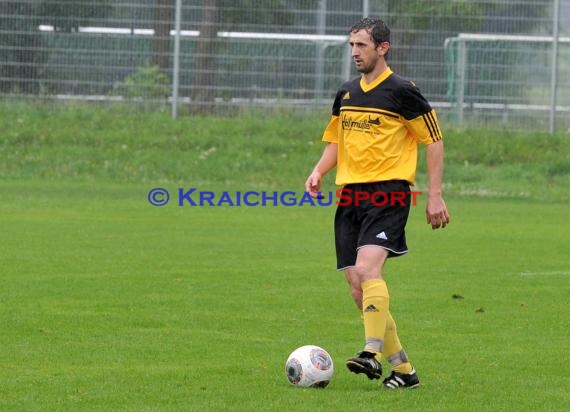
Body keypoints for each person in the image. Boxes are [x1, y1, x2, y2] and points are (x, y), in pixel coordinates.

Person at [304, 17, 450, 389]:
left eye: (362, 45)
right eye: (351, 45)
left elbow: (433, 140)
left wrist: (434, 195)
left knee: (370, 270)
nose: (355, 52)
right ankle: (403, 369)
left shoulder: (403, 90)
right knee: (358, 286)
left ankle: (370, 353)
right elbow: (337, 139)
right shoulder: (347, 92)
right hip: (351, 195)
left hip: (389, 193)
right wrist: (319, 170)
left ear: (383, 48)